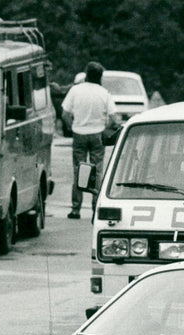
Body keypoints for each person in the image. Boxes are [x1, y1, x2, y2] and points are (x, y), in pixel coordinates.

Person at [61, 61, 119, 219]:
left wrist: (72, 126)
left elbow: (65, 114)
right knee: (97, 170)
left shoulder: (75, 90)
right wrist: (104, 125)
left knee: (79, 170)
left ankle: (75, 208)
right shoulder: (104, 93)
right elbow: (114, 118)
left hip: (79, 133)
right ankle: (96, 208)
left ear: (86, 74)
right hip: (97, 134)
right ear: (100, 76)